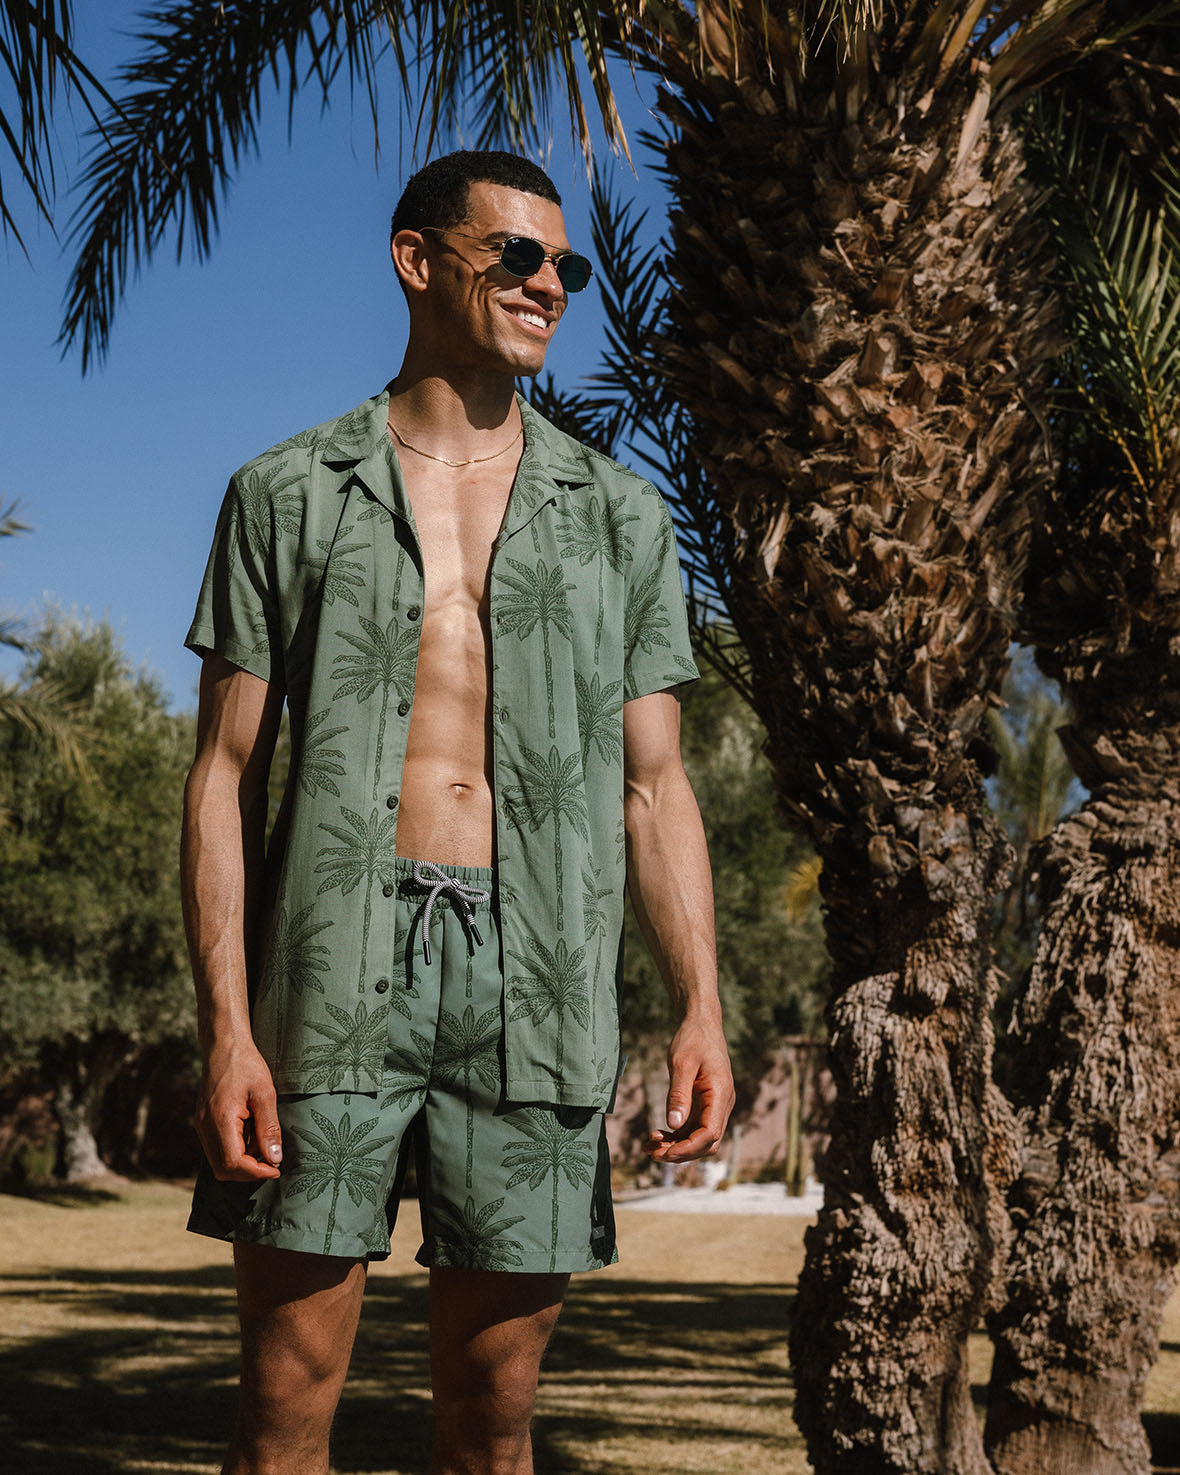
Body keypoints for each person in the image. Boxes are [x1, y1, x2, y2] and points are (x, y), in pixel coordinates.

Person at [180, 148, 734, 1475]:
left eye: (567, 266)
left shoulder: (620, 518)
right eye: (516, 256)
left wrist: (701, 1005)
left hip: (538, 982)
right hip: (330, 968)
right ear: (416, 261)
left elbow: (656, 785)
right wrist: (227, 1030)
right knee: (282, 1412)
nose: (550, 284)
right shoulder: (288, 491)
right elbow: (223, 778)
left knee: (494, 1425)